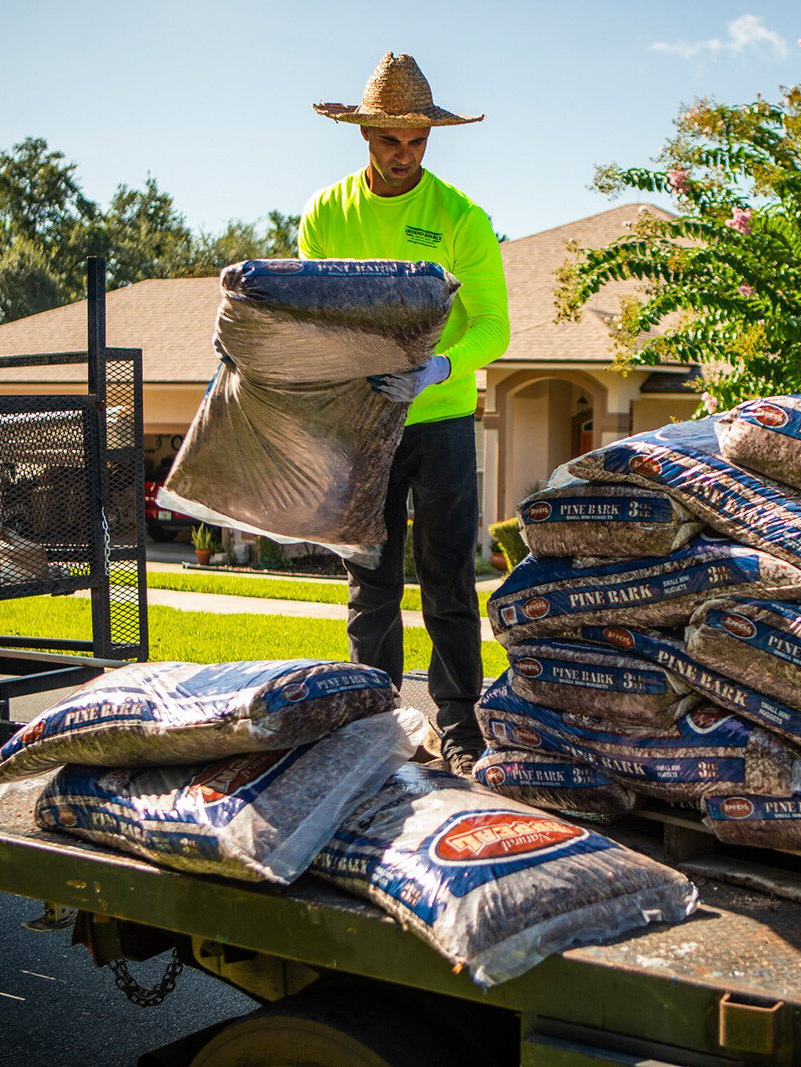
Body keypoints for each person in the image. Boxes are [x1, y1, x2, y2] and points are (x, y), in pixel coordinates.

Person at [300, 53, 509, 779]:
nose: (405, 155)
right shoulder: (327, 214)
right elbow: (313, 318)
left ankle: (460, 730)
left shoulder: (459, 217)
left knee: (449, 578)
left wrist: (438, 368)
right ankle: (376, 726)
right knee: (372, 582)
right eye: (392, 141)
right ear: (365, 137)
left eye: (418, 140)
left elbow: (495, 328)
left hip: (443, 419)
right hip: (365, 424)